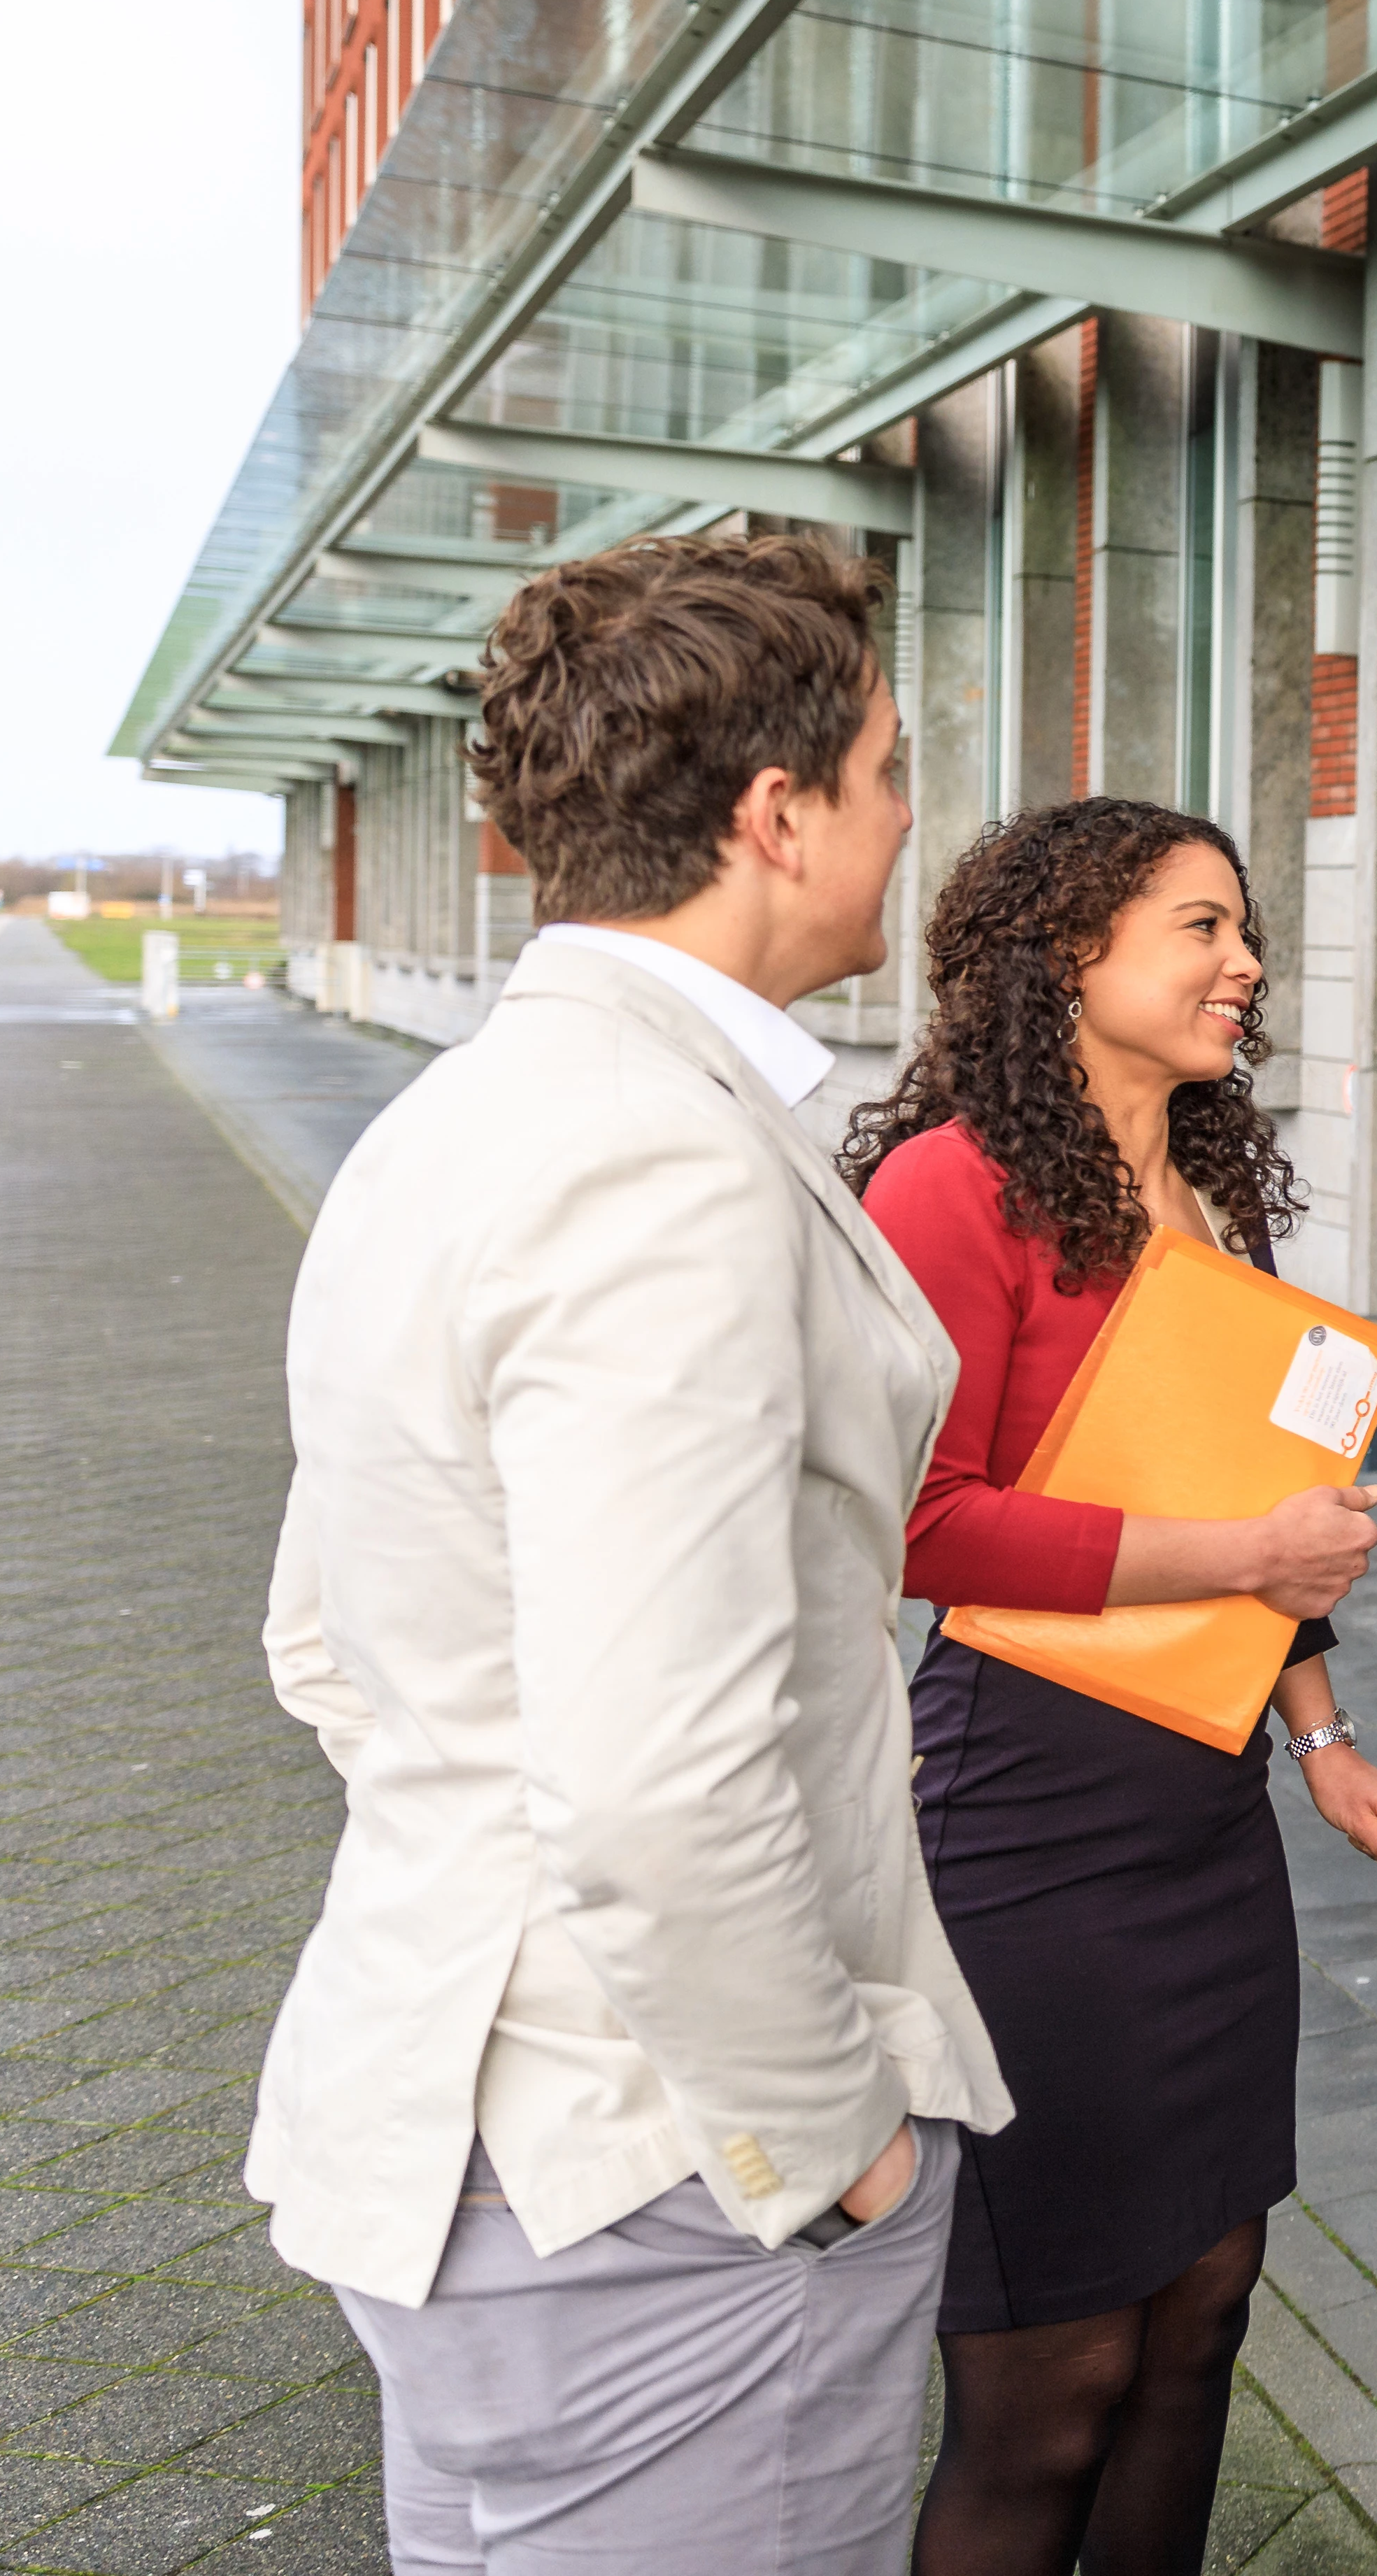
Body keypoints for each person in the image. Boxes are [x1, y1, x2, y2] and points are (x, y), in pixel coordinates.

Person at [252, 532, 1015, 2573]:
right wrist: (826, 2139)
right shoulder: (662, 1162)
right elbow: (656, 1781)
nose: (905, 813)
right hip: (664, 2191)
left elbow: (328, 1643)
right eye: (883, 769)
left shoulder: (451, 1120)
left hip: (475, 2145)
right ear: (777, 818)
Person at [836, 797, 1377, 2574]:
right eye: (1201, 926)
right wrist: (1243, 1560)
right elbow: (922, 1524)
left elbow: (1250, 1493)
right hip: (1023, 1817)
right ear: (1069, 950)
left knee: (1203, 2314)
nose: (1244, 963)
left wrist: (1317, 1730)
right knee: (1054, 2371)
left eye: (1244, 930)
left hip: (1204, 1810)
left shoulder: (1208, 1193)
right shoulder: (951, 1183)